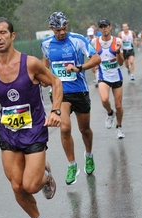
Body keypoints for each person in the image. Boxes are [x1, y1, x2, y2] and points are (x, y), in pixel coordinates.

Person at [0, 17, 62, 218]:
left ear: (12, 36)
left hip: (34, 130)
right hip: (9, 133)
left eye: (3, 33)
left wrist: (55, 111)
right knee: (17, 186)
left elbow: (56, 83)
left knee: (31, 185)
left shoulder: (31, 64)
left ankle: (44, 177)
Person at [41, 12, 101, 185]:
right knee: (65, 128)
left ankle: (88, 155)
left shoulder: (78, 40)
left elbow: (96, 58)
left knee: (84, 129)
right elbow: (46, 64)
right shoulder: (46, 44)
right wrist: (45, 79)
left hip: (79, 90)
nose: (62, 32)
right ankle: (72, 165)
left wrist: (79, 67)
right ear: (51, 28)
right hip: (61, 93)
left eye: (64, 28)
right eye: (58, 30)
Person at [91, 19, 125, 139]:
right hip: (103, 76)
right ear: (99, 29)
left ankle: (119, 127)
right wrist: (93, 65)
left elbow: (121, 63)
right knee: (105, 100)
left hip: (116, 76)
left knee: (119, 106)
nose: (104, 29)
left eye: (106, 26)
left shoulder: (117, 41)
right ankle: (110, 113)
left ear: (110, 27)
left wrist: (117, 52)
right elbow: (92, 57)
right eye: (101, 27)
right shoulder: (95, 42)